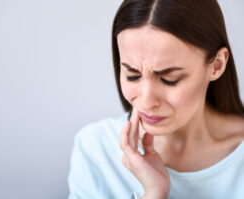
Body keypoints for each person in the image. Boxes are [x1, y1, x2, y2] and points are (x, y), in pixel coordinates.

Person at [68, 0, 244, 198]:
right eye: (132, 76)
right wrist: (154, 193)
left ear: (217, 65)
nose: (146, 102)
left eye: (169, 80)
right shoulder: (96, 148)